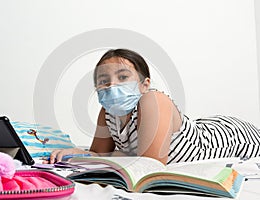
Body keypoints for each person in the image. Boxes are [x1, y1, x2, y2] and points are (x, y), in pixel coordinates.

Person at [47, 48, 260, 165]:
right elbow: (97, 153)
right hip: (199, 126)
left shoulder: (152, 100)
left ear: (144, 84)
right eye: (103, 81)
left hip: (230, 137)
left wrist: (102, 157)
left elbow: (150, 163)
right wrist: (76, 152)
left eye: (122, 77)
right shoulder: (107, 113)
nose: (112, 85)